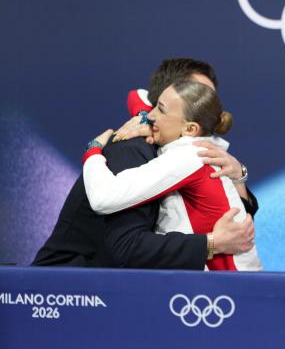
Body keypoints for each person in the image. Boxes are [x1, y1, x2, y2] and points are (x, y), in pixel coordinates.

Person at [32, 58, 256, 268]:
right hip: (68, 286)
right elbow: (126, 245)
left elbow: (237, 228)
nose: (208, 107)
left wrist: (239, 175)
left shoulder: (198, 151)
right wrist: (211, 243)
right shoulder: (134, 147)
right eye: (195, 93)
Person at [83, 79, 261, 271]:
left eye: (161, 110)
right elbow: (137, 95)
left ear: (190, 128)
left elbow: (103, 198)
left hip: (229, 288)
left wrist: (93, 151)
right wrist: (143, 118)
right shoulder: (198, 142)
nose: (151, 115)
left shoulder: (191, 156)